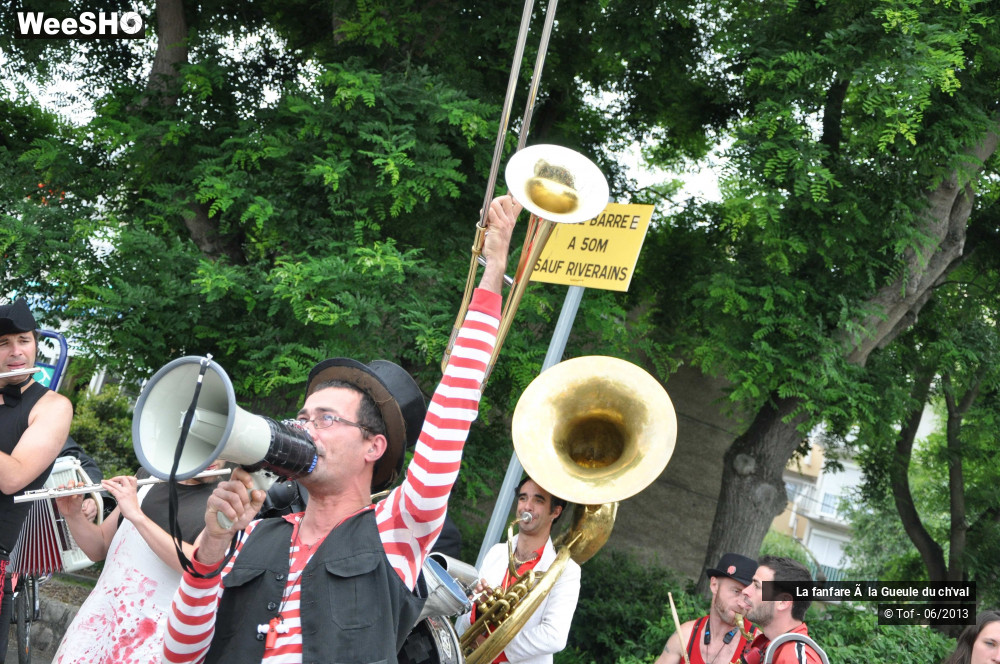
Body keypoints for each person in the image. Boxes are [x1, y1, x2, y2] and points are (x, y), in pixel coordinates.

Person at [162, 194, 519, 664]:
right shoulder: (254, 535)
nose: (307, 428)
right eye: (304, 418)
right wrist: (211, 548)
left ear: (374, 446)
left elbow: (452, 411)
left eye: (327, 418)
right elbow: (179, 654)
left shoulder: (396, 531)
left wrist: (493, 271)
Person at [51, 462, 228, 664]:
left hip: (152, 643)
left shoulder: (222, 501)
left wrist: (137, 515)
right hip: (96, 627)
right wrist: (72, 515)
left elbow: (197, 565)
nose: (215, 456)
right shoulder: (148, 477)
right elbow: (99, 546)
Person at [0, 298, 73, 659]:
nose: (16, 352)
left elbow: (12, 477)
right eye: (3, 344)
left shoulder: (52, 407)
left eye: (24, 341)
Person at [454, 475, 582, 664]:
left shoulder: (565, 570)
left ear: (555, 511)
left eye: (538, 500)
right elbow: (465, 615)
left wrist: (492, 647)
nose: (527, 506)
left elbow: (554, 635)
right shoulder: (497, 552)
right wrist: (477, 606)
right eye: (523, 498)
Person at [655, 553, 758, 664]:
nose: (742, 604)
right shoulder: (685, 635)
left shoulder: (759, 645)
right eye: (736, 591)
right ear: (714, 585)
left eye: (747, 596)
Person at [739, 556, 824, 664]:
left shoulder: (794, 659)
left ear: (783, 601)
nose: (745, 591)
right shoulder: (772, 646)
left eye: (757, 585)